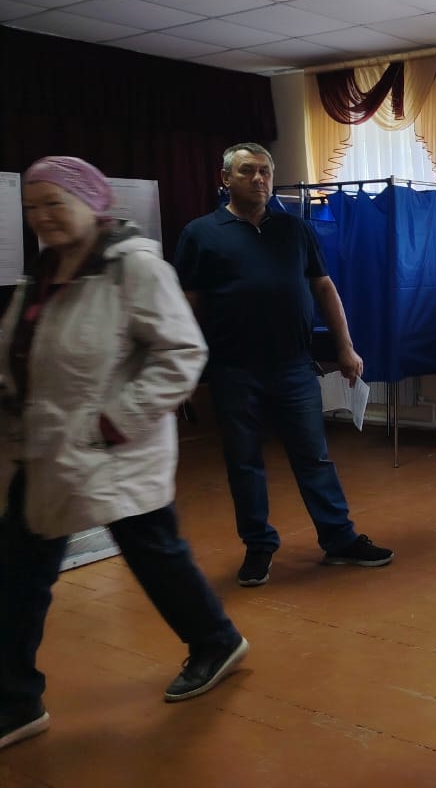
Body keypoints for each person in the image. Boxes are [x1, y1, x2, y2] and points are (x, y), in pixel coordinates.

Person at [0, 158, 249, 751]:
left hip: (113, 451)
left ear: (92, 202)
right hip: (45, 449)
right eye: (31, 206)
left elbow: (182, 354)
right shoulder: (43, 274)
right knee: (19, 575)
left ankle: (215, 641)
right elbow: (25, 352)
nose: (41, 216)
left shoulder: (134, 267)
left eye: (54, 202)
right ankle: (14, 700)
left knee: (153, 555)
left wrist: (113, 422)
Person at [173, 143, 392, 588]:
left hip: (294, 367)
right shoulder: (201, 233)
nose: (258, 179)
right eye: (247, 171)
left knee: (314, 457)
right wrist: (184, 364)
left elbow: (324, 288)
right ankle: (258, 547)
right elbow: (188, 303)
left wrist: (345, 347)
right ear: (225, 179)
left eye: (265, 171)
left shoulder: (295, 229)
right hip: (234, 370)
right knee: (244, 462)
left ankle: (339, 539)